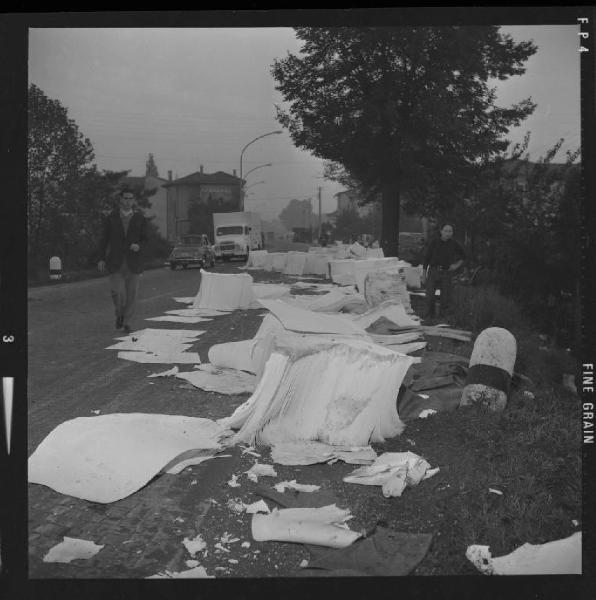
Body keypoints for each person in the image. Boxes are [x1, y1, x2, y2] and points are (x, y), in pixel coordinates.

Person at [97, 188, 148, 334]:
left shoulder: (140, 218)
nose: (128, 201)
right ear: (120, 200)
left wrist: (139, 245)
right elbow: (103, 240)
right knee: (116, 292)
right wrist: (101, 258)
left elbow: (146, 239)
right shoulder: (111, 218)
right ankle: (120, 313)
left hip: (133, 262)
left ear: (134, 201)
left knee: (131, 294)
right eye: (125, 198)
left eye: (130, 198)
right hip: (115, 261)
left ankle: (127, 322)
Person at [422, 223, 465, 319]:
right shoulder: (434, 243)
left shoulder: (454, 244)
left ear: (452, 233)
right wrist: (424, 275)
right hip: (433, 271)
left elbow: (463, 257)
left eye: (450, 231)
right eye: (446, 231)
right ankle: (429, 317)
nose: (448, 233)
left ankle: (442, 318)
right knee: (430, 296)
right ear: (441, 231)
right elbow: (426, 259)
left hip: (446, 273)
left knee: (445, 297)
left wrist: (455, 265)